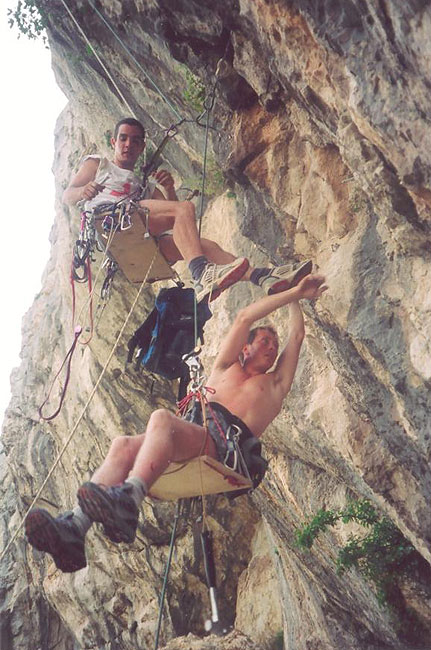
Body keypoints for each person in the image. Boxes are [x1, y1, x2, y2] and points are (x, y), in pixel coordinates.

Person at [25, 273, 327, 572]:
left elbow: (297, 337)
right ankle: (75, 528)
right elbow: (245, 317)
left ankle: (130, 497)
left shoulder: (275, 385)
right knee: (122, 445)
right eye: (265, 341)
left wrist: (298, 297)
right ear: (245, 349)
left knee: (162, 420)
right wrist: (290, 291)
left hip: (226, 450)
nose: (273, 347)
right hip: (197, 433)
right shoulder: (224, 367)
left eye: (275, 343)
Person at [63, 116, 312, 301]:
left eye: (135, 141)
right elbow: (68, 195)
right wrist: (82, 191)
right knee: (184, 210)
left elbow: (169, 212)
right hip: (113, 221)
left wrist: (169, 188)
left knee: (205, 246)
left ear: (141, 148)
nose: (128, 144)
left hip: (140, 236)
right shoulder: (98, 164)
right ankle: (202, 273)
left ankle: (264, 277)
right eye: (123, 138)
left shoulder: (143, 186)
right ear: (113, 141)